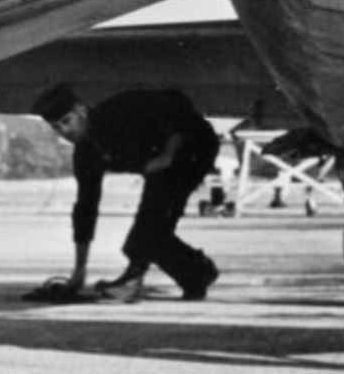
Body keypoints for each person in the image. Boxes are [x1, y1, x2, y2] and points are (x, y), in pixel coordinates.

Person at [34, 85, 222, 302]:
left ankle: (183, 275)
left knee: (146, 234)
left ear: (80, 110)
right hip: (160, 166)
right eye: (57, 127)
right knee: (145, 236)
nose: (64, 132)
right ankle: (196, 274)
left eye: (67, 121)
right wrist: (79, 270)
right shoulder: (86, 154)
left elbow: (178, 102)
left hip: (194, 147)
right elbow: (86, 208)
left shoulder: (119, 110)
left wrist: (167, 155)